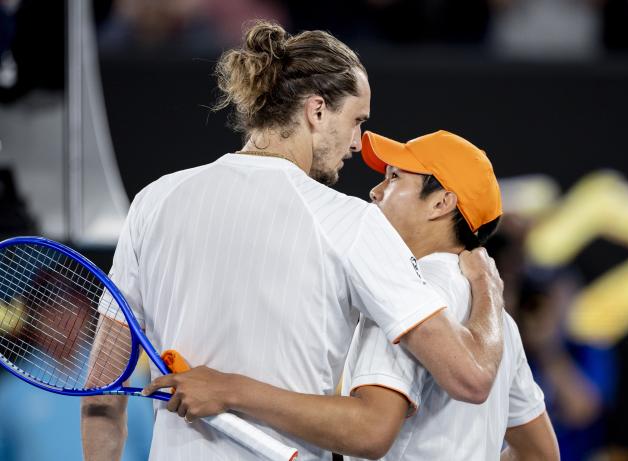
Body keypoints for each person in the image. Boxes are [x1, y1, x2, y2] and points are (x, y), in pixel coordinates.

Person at [82, 21, 504, 460]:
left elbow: (100, 395)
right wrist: (487, 289)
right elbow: (470, 377)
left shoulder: (154, 201)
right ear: (316, 111)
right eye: (356, 121)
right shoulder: (353, 222)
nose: (358, 144)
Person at [145, 130, 559, 460]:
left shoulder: (405, 295)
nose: (375, 192)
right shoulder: (498, 328)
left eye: (394, 178)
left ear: (441, 203)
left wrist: (229, 389)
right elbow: (540, 453)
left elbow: (369, 432)